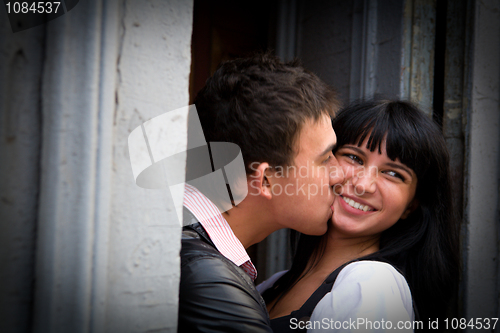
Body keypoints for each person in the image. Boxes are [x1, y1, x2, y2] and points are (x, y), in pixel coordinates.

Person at [259, 100, 460, 332]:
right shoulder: (273, 284)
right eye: (354, 158)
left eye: (393, 173)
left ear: (411, 206)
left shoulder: (373, 283)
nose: (364, 185)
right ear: (324, 160)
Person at [178, 53, 345, 332]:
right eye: (325, 158)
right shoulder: (211, 284)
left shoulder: (181, 240)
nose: (340, 174)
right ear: (267, 179)